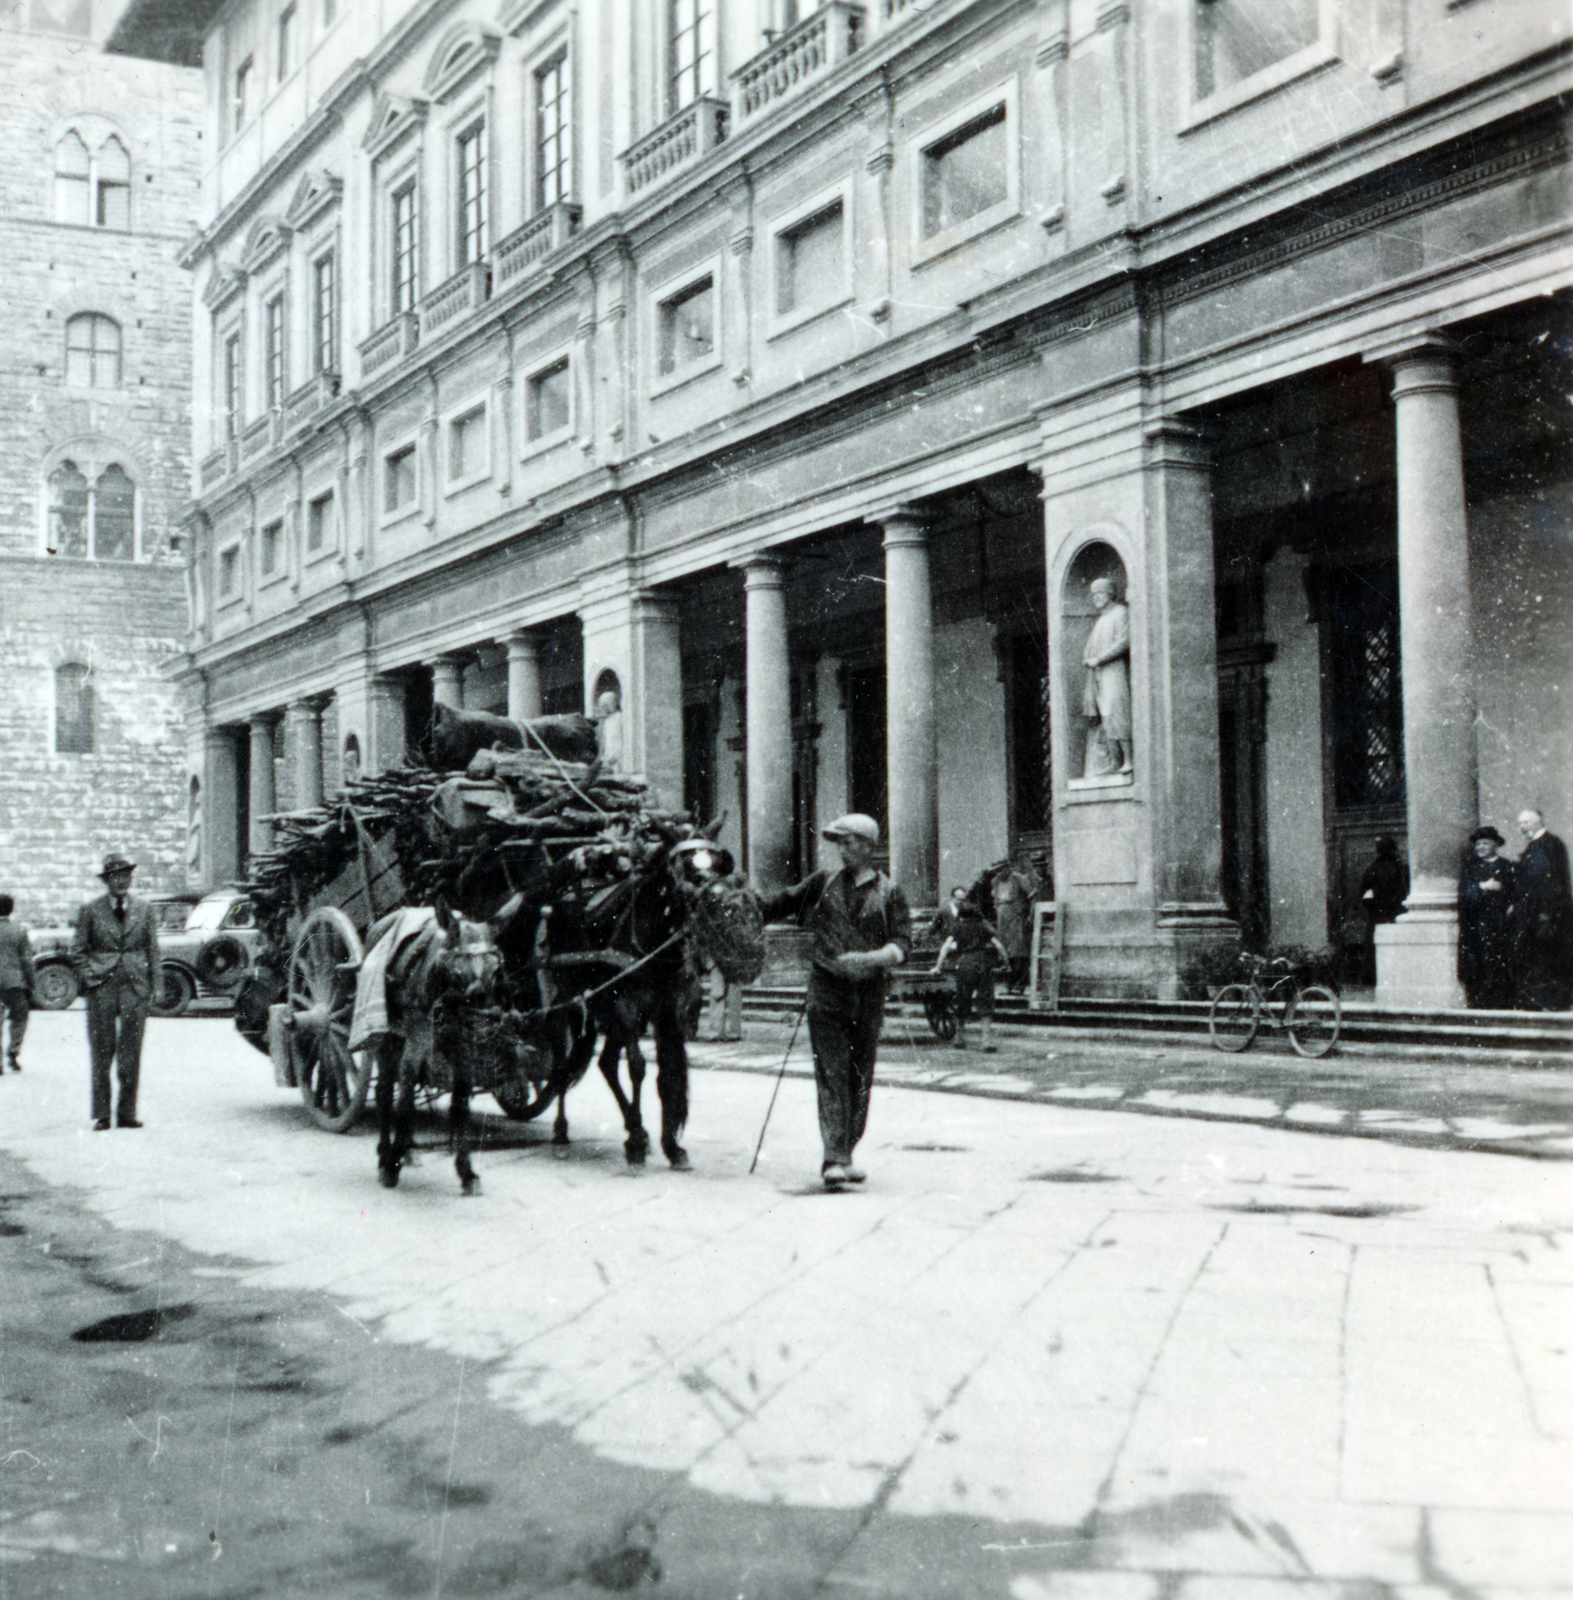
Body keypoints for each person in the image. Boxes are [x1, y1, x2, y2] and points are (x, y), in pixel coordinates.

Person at [759, 814, 911, 1190]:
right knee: (832, 1073)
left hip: (869, 995)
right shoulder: (822, 882)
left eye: (849, 841)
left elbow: (902, 944)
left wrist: (871, 959)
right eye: (839, 842)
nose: (842, 849)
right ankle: (834, 1158)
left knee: (860, 1076)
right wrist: (737, 903)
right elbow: (778, 904)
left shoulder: (890, 892)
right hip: (826, 991)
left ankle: (846, 1152)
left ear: (868, 845)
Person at [70, 854, 160, 1131]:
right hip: (102, 986)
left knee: (131, 1050)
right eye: (116, 877)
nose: (122, 881)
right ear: (107, 880)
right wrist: (90, 976)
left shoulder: (144, 909)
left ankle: (127, 1113)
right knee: (101, 1050)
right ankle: (102, 1114)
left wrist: (155, 985)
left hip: (135, 986)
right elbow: (77, 951)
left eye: (126, 876)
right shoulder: (90, 909)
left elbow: (153, 950)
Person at [1511, 809, 1573, 1011]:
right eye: (1520, 824)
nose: (1522, 827)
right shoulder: (1535, 845)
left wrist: (1547, 914)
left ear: (1538, 822)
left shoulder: (1550, 844)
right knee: (1536, 959)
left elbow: (1553, 882)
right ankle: (1540, 1003)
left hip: (1547, 915)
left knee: (1549, 959)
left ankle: (1552, 1004)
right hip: (1535, 915)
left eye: (1526, 822)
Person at [933, 901, 1009, 1052]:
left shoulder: (957, 927)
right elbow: (999, 946)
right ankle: (986, 1041)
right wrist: (1006, 963)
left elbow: (946, 947)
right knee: (986, 1002)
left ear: (960, 914)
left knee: (962, 1000)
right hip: (983, 965)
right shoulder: (982, 926)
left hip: (964, 966)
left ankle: (959, 1038)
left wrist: (938, 966)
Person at [1457, 827, 1514, 1010]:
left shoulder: (1506, 865)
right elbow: (1464, 895)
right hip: (1476, 923)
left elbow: (1516, 891)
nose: (1481, 847)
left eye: (1486, 843)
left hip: (1500, 922)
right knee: (1478, 961)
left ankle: (1502, 1002)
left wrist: (1511, 903)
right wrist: (1482, 887)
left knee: (1500, 960)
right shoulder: (1470, 867)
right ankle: (1479, 1002)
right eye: (1478, 843)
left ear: (1495, 845)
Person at [1082, 577, 1132, 777]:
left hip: (1114, 670)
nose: (1096, 597)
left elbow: (1124, 641)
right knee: (1105, 715)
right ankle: (1116, 761)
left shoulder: (1120, 612)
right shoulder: (1102, 619)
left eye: (1100, 593)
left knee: (1117, 711)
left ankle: (1129, 759)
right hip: (1099, 674)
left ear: (1110, 593)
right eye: (1094, 594)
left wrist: (1099, 659)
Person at [1355, 835, 1409, 987]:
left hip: (1378, 914)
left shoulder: (1373, 868)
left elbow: (1364, 894)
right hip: (1397, 913)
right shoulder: (1402, 868)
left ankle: (1371, 978)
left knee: (1374, 945)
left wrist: (1371, 904)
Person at [0, 895, 37, 1072]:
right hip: (13, 983)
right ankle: (12, 1054)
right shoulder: (19, 930)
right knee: (20, 1016)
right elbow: (26, 961)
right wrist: (32, 983)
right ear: (11, 909)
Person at [991, 863, 1034, 992]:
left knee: (1018, 948)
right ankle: (1009, 983)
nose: (999, 873)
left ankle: (1021, 983)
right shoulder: (996, 881)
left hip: (1016, 914)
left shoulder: (1018, 878)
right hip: (1002, 915)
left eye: (1001, 870)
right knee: (1004, 948)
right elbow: (995, 899)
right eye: (996, 871)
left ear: (1007, 868)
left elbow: (1032, 895)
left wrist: (1031, 914)